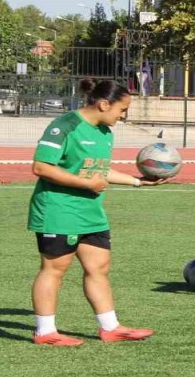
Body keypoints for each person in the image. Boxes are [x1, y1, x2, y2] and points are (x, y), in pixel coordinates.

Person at [28, 78, 162, 346]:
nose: (124, 116)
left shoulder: (104, 133)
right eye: (122, 110)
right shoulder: (64, 126)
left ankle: (110, 327)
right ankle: (45, 332)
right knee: (55, 268)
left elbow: (98, 171)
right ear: (103, 104)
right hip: (59, 210)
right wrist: (87, 183)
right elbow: (41, 168)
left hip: (91, 212)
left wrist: (137, 181)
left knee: (99, 267)